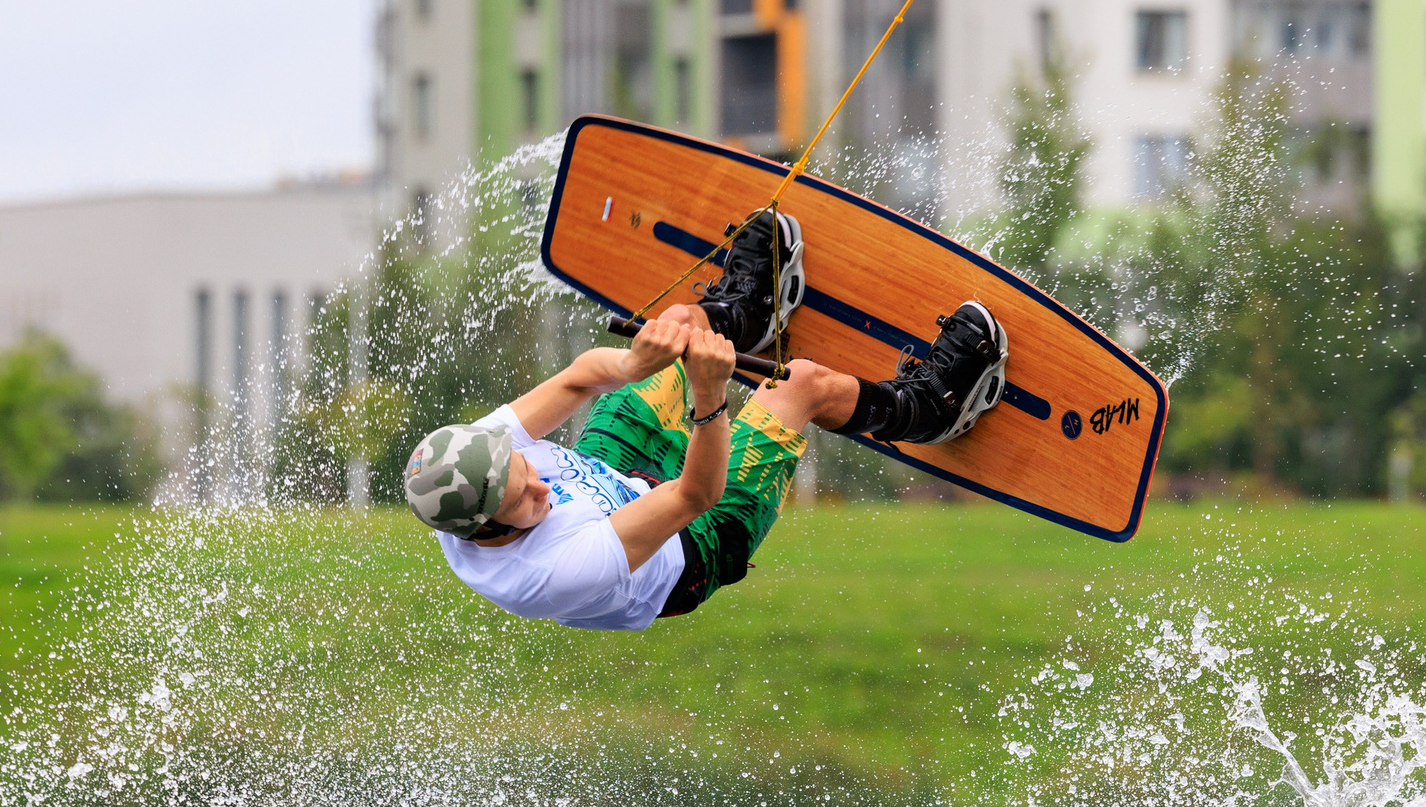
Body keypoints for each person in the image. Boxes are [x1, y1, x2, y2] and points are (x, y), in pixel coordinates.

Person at [403, 211, 1008, 631]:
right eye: (522, 501)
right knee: (799, 384)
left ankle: (749, 316)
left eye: (525, 468)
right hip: (692, 542)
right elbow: (695, 494)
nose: (541, 486)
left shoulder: (469, 458)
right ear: (484, 532)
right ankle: (928, 410)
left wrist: (634, 362)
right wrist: (710, 393)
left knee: (675, 327)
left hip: (611, 472)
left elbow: (579, 379)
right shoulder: (548, 574)